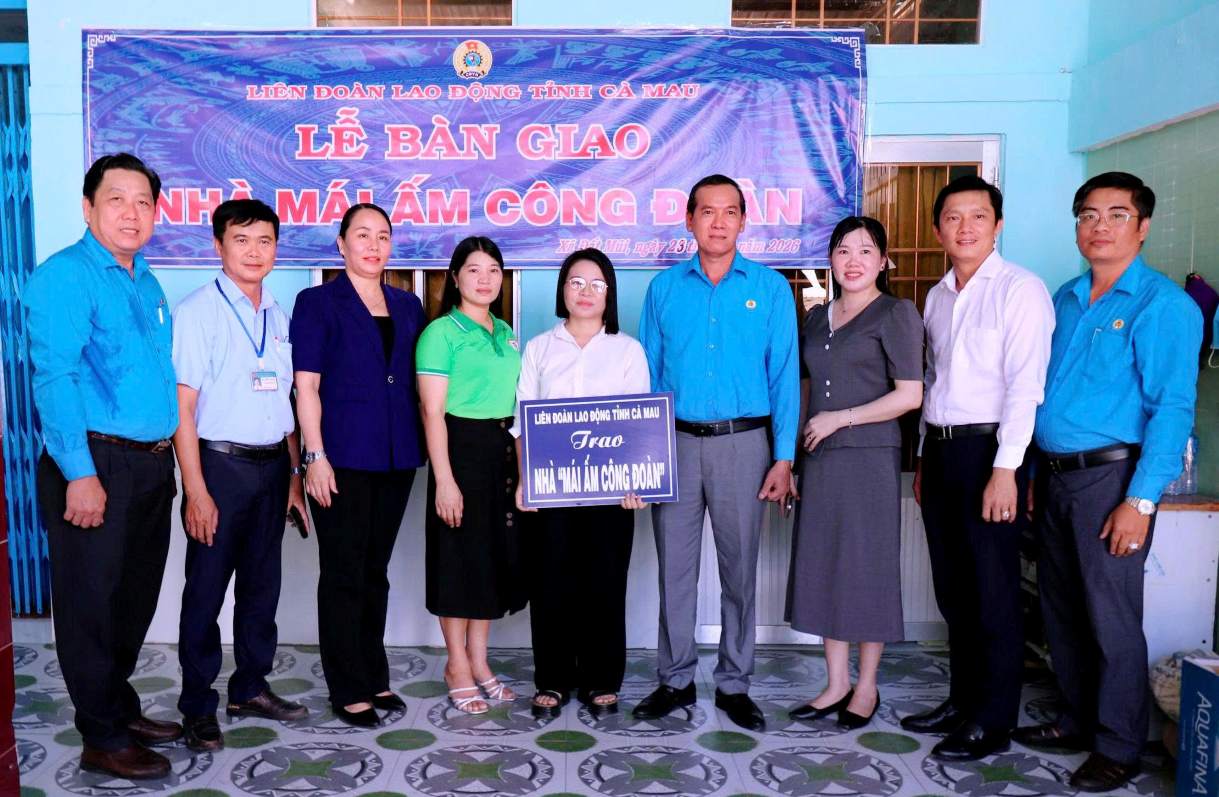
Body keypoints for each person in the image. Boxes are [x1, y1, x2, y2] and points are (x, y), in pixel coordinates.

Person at [1018, 172, 1200, 792]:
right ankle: (1075, 720)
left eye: (1116, 215)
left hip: (1112, 479)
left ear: (1142, 227)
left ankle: (1119, 745)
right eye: (1089, 215)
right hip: (1057, 477)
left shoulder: (1163, 306)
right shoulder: (1066, 297)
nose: (1100, 226)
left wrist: (1140, 501)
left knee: (1111, 618)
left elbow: (1172, 409)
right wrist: (1038, 473)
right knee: (1061, 608)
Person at [24, 153, 181, 779]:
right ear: (88, 207)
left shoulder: (146, 279)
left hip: (149, 465)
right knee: (91, 604)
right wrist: (79, 473)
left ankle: (118, 703)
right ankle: (103, 737)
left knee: (133, 600)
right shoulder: (64, 276)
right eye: (116, 199)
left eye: (144, 201)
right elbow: (55, 377)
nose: (131, 212)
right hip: (93, 463)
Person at [635, 174, 799, 731]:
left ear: (744, 222)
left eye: (730, 212)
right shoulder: (663, 289)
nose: (719, 222)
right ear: (689, 220)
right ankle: (675, 681)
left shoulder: (772, 288)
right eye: (708, 212)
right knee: (674, 574)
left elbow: (784, 378)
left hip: (745, 447)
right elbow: (649, 377)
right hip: (675, 443)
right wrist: (644, 455)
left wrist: (783, 457)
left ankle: (734, 683)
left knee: (739, 572)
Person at [902, 175, 1054, 761]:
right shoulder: (938, 296)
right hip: (940, 453)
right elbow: (935, 381)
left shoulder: (1021, 290)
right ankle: (961, 702)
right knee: (954, 592)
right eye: (954, 218)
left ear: (998, 224)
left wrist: (1006, 469)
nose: (965, 227)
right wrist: (922, 456)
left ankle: (991, 721)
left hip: (991, 453)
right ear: (938, 228)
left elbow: (1026, 388)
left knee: (993, 592)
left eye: (978, 216)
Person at [171, 199, 310, 751]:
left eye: (265, 241)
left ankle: (250, 686)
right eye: (242, 240)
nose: (255, 252)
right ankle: (197, 705)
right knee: (205, 591)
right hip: (219, 466)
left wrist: (295, 476)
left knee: (262, 587)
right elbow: (183, 408)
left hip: (273, 465)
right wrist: (196, 490)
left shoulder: (278, 313)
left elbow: (287, 399)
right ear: (218, 246)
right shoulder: (197, 312)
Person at [291, 203, 427, 727]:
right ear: (341, 243)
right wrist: (314, 455)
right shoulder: (317, 302)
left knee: (376, 571)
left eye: (383, 236)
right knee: (344, 572)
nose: (373, 244)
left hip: (396, 457)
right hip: (340, 458)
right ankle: (346, 686)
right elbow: (307, 385)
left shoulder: (408, 304)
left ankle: (373, 675)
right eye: (362, 235)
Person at [785, 217, 923, 729]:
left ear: (883, 260)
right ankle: (836, 683)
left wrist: (842, 418)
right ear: (832, 260)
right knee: (825, 566)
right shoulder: (818, 319)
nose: (854, 260)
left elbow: (910, 395)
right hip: (820, 460)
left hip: (868, 456)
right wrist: (795, 459)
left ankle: (866, 687)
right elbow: (804, 392)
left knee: (866, 567)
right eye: (844, 250)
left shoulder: (896, 313)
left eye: (866, 250)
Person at [511, 248, 651, 719]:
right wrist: (526, 481)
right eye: (576, 282)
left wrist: (638, 483)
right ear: (562, 290)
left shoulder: (628, 350)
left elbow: (639, 426)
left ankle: (601, 679)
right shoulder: (538, 348)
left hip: (612, 493)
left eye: (597, 284)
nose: (586, 292)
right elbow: (522, 424)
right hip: (551, 492)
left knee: (605, 585)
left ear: (609, 294)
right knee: (551, 584)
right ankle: (551, 678)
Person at [417, 236, 525, 715]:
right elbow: (431, 412)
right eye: (474, 269)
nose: (485, 279)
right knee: (457, 561)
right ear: (455, 276)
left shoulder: (505, 332)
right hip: (459, 451)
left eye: (493, 270)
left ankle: (481, 662)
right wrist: (444, 478)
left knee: (489, 563)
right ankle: (456, 664)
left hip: (501, 452)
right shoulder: (440, 332)